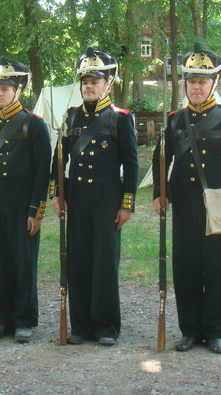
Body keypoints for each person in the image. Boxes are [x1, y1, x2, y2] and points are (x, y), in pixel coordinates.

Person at [152, 42, 221, 354]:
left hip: (219, 204)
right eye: (191, 81)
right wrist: (159, 192)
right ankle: (190, 330)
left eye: (202, 81)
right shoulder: (174, 119)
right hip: (185, 204)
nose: (196, 87)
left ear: (214, 83)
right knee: (186, 267)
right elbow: (161, 158)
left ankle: (214, 330)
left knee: (218, 267)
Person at [50, 47, 138, 346]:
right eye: (85, 81)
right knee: (78, 261)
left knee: (104, 263)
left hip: (106, 200)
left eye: (95, 81)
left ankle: (105, 325)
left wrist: (127, 205)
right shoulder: (72, 116)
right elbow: (58, 159)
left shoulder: (120, 118)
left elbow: (132, 165)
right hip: (77, 199)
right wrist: (57, 193)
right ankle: (81, 325)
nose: (88, 86)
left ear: (107, 84)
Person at [0, 57, 51, 343]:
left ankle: (24, 320)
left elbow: (42, 172)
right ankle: (3, 319)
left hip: (22, 204)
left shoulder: (33, 124)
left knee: (23, 262)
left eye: (5, 89)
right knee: (2, 262)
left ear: (19, 90)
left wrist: (36, 210)